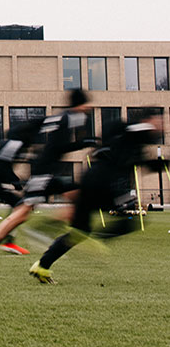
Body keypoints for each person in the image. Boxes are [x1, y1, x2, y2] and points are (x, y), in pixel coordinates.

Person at [30, 108, 167, 283]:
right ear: (150, 120)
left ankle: (42, 266)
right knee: (132, 219)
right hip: (103, 182)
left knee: (80, 230)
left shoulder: (136, 143)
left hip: (94, 180)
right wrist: (145, 127)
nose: (162, 126)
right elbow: (124, 131)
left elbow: (147, 164)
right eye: (160, 121)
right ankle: (99, 239)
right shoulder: (135, 130)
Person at [0, 89, 94, 274]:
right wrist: (85, 142)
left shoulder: (58, 117)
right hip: (44, 172)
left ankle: (49, 230)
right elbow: (58, 146)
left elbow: (35, 128)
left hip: (44, 171)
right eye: (87, 105)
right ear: (81, 105)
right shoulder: (71, 117)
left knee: (80, 196)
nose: (89, 109)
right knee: (21, 214)